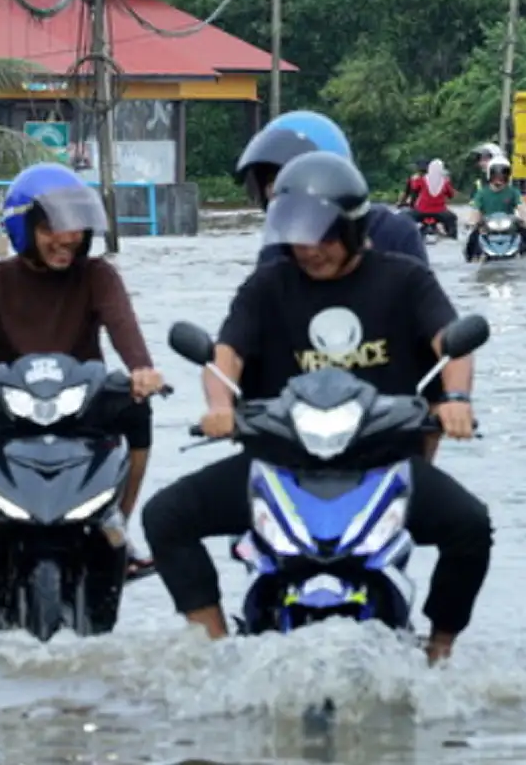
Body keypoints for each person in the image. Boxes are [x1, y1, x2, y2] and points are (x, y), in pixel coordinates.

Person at [141, 151, 493, 664]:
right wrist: (219, 406)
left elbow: (452, 346)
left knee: (472, 526)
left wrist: (456, 400)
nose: (310, 250)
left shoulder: (406, 280)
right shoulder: (268, 286)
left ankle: (439, 651)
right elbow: (225, 355)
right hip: (279, 464)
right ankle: (216, 650)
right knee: (165, 516)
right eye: (298, 236)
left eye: (323, 236)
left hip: (382, 464)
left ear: (353, 227)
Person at [0, 163, 169, 594]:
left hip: (84, 403)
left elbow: (123, 327)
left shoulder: (98, 275)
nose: (66, 238)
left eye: (75, 228)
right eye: (51, 228)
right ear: (23, 228)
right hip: (10, 407)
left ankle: (118, 527)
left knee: (139, 412)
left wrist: (142, 370)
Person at [234, 110, 428, 265]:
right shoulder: (275, 252)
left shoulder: (394, 234)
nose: (274, 192)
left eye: (290, 179)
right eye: (269, 182)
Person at [466, 156, 526, 260]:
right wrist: (472, 222)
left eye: (503, 174)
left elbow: (520, 206)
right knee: (472, 239)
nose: (499, 178)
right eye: (495, 175)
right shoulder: (482, 193)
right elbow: (476, 210)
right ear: (490, 175)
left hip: (509, 225)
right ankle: (471, 260)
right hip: (487, 225)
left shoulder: (513, 192)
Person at [404, 158, 458, 237]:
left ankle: (406, 236)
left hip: (421, 210)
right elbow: (451, 195)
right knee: (452, 218)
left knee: (405, 217)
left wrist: (414, 180)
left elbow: (414, 189)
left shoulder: (421, 180)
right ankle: (452, 236)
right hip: (440, 212)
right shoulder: (445, 182)